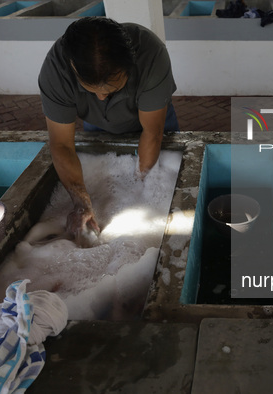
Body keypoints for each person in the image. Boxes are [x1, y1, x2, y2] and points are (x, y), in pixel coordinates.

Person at [38, 17, 178, 241]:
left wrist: (141, 190)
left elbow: (152, 134)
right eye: (92, 91)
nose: (102, 98)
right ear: (73, 69)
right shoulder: (56, 70)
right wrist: (81, 202)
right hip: (98, 125)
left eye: (112, 90)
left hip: (154, 125)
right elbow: (62, 144)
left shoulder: (151, 55)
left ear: (130, 65)